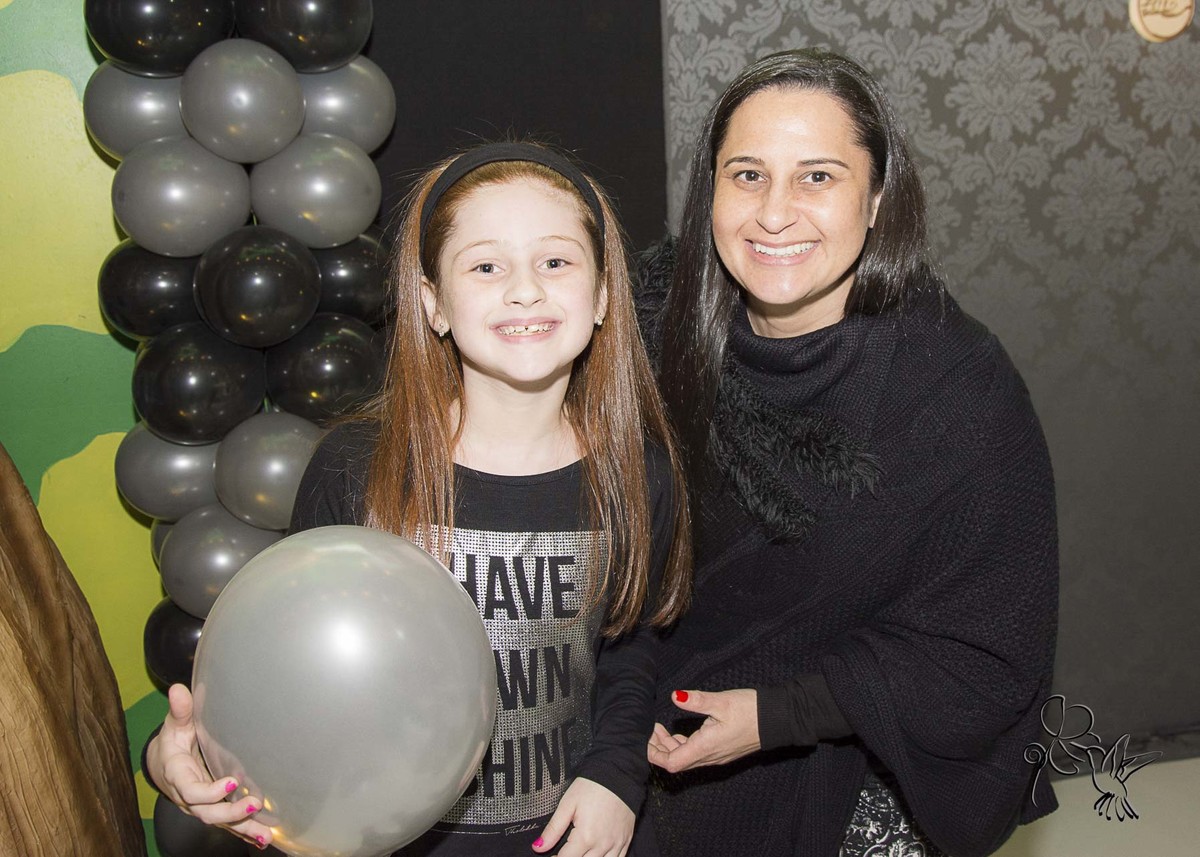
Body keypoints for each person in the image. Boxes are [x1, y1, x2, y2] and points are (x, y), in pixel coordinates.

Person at [144, 141, 691, 856]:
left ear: (603, 296)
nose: (525, 290)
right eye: (486, 266)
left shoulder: (636, 473)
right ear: (433, 303)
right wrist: (178, 755)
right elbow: (281, 667)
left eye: (555, 262)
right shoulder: (356, 468)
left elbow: (630, 646)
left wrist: (616, 776)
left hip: (568, 839)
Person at [638, 49, 1058, 857]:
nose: (774, 213)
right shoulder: (654, 337)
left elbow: (986, 654)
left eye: (818, 177)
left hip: (852, 779)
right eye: (747, 175)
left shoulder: (956, 390)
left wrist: (781, 713)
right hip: (643, 745)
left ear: (876, 201)